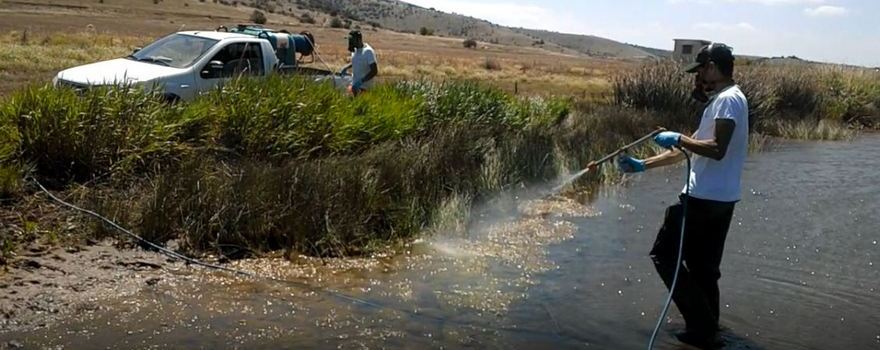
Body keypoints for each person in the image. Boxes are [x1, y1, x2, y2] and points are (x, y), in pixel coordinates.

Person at [618, 43, 749, 349]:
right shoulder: (724, 101)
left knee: (663, 255)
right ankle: (707, 334)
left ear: (714, 67)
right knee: (705, 271)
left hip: (702, 199)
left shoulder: (728, 100)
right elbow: (689, 150)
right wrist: (642, 165)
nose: (699, 76)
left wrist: (680, 137)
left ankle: (701, 326)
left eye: (702, 69)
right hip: (722, 200)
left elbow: (716, 149)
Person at [340, 30, 378, 96]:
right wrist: (347, 67)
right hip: (354, 85)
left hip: (365, 88)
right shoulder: (355, 51)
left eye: (352, 40)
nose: (350, 42)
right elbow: (358, 61)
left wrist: (361, 81)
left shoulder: (368, 51)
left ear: (359, 39)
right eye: (349, 40)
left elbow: (374, 71)